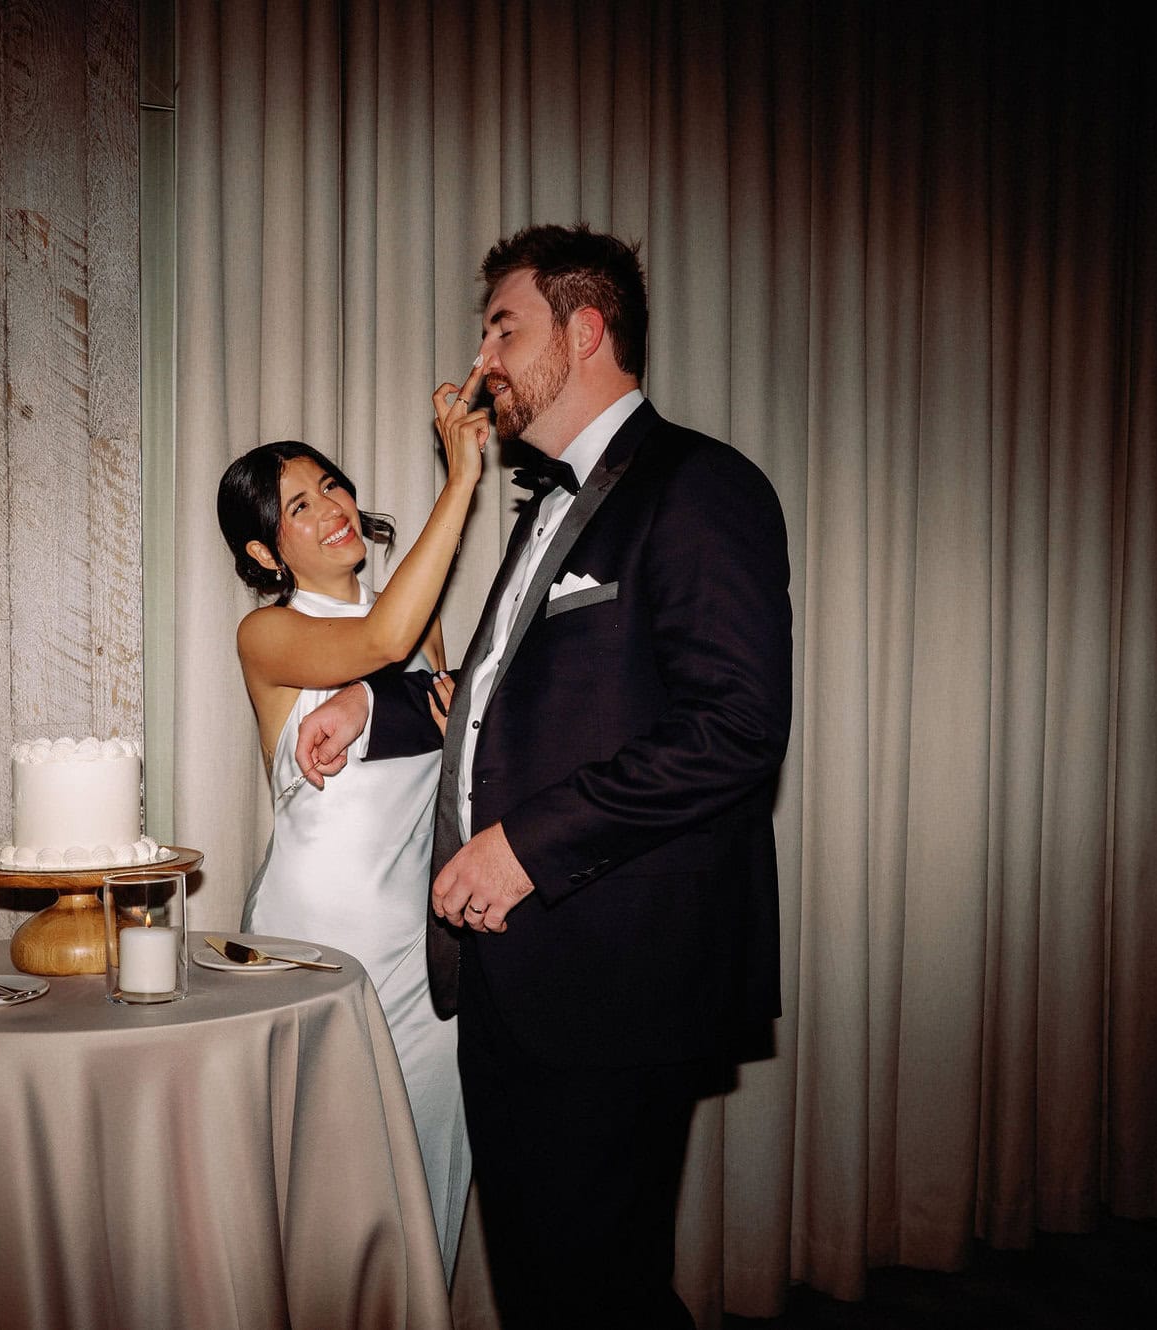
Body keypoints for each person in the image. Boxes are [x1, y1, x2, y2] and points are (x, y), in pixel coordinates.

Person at [294, 223, 793, 1328]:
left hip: (615, 971)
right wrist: (362, 703)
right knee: (543, 1280)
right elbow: (484, 694)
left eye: (501, 327)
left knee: (595, 1288)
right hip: (514, 974)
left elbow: (735, 727)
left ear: (584, 327)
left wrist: (525, 845)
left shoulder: (699, 487)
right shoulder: (545, 506)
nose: (479, 361)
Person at [214, 372, 490, 1278]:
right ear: (266, 553)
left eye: (331, 483)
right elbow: (378, 646)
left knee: (428, 1175)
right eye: (299, 505)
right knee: (321, 1189)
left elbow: (441, 731)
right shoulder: (270, 636)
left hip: (422, 950)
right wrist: (460, 479)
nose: (332, 506)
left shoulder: (424, 625)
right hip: (314, 944)